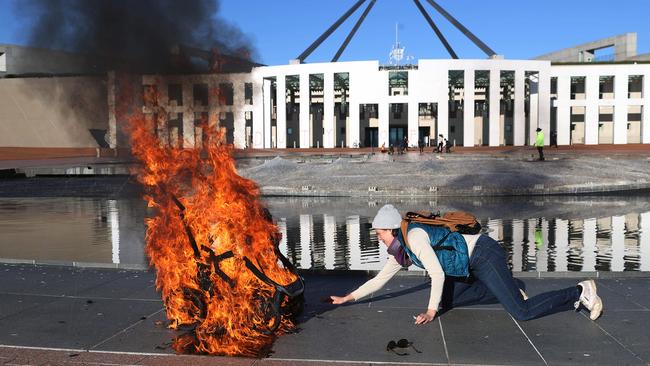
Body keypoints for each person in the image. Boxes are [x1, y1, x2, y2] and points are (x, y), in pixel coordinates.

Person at [330, 204, 603, 324]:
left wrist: (429, 311)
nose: (378, 239)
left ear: (390, 229)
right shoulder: (401, 249)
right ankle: (509, 288)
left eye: (379, 234)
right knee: (447, 300)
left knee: (522, 312)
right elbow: (380, 279)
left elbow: (436, 274)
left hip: (483, 255)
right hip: (464, 264)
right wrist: (347, 298)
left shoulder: (413, 236)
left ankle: (580, 292)